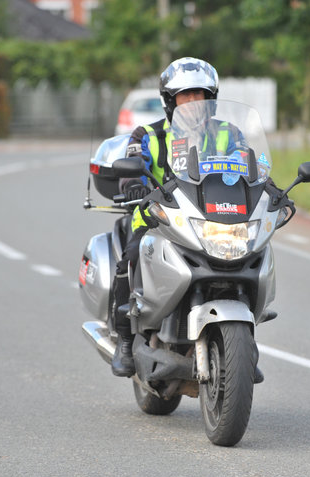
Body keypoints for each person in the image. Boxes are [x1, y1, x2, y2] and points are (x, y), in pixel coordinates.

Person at [110, 57, 264, 385]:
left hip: (212, 214)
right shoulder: (148, 134)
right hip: (159, 212)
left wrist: (271, 189)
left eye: (201, 95)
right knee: (131, 253)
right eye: (186, 96)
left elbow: (249, 166)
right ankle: (124, 339)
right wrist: (133, 183)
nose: (194, 103)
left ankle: (244, 347)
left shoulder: (229, 133)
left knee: (251, 252)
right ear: (171, 101)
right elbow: (135, 162)